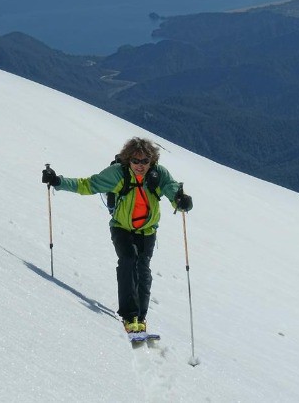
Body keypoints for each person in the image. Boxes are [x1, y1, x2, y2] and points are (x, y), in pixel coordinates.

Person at [41, 137, 193, 336]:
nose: (140, 165)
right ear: (128, 160)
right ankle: (130, 316)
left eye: (145, 161)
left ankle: (140, 317)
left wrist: (180, 200)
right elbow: (89, 185)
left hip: (147, 231)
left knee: (143, 270)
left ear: (152, 161)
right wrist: (58, 181)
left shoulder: (158, 174)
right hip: (121, 228)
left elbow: (171, 189)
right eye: (136, 161)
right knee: (129, 261)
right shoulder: (118, 174)